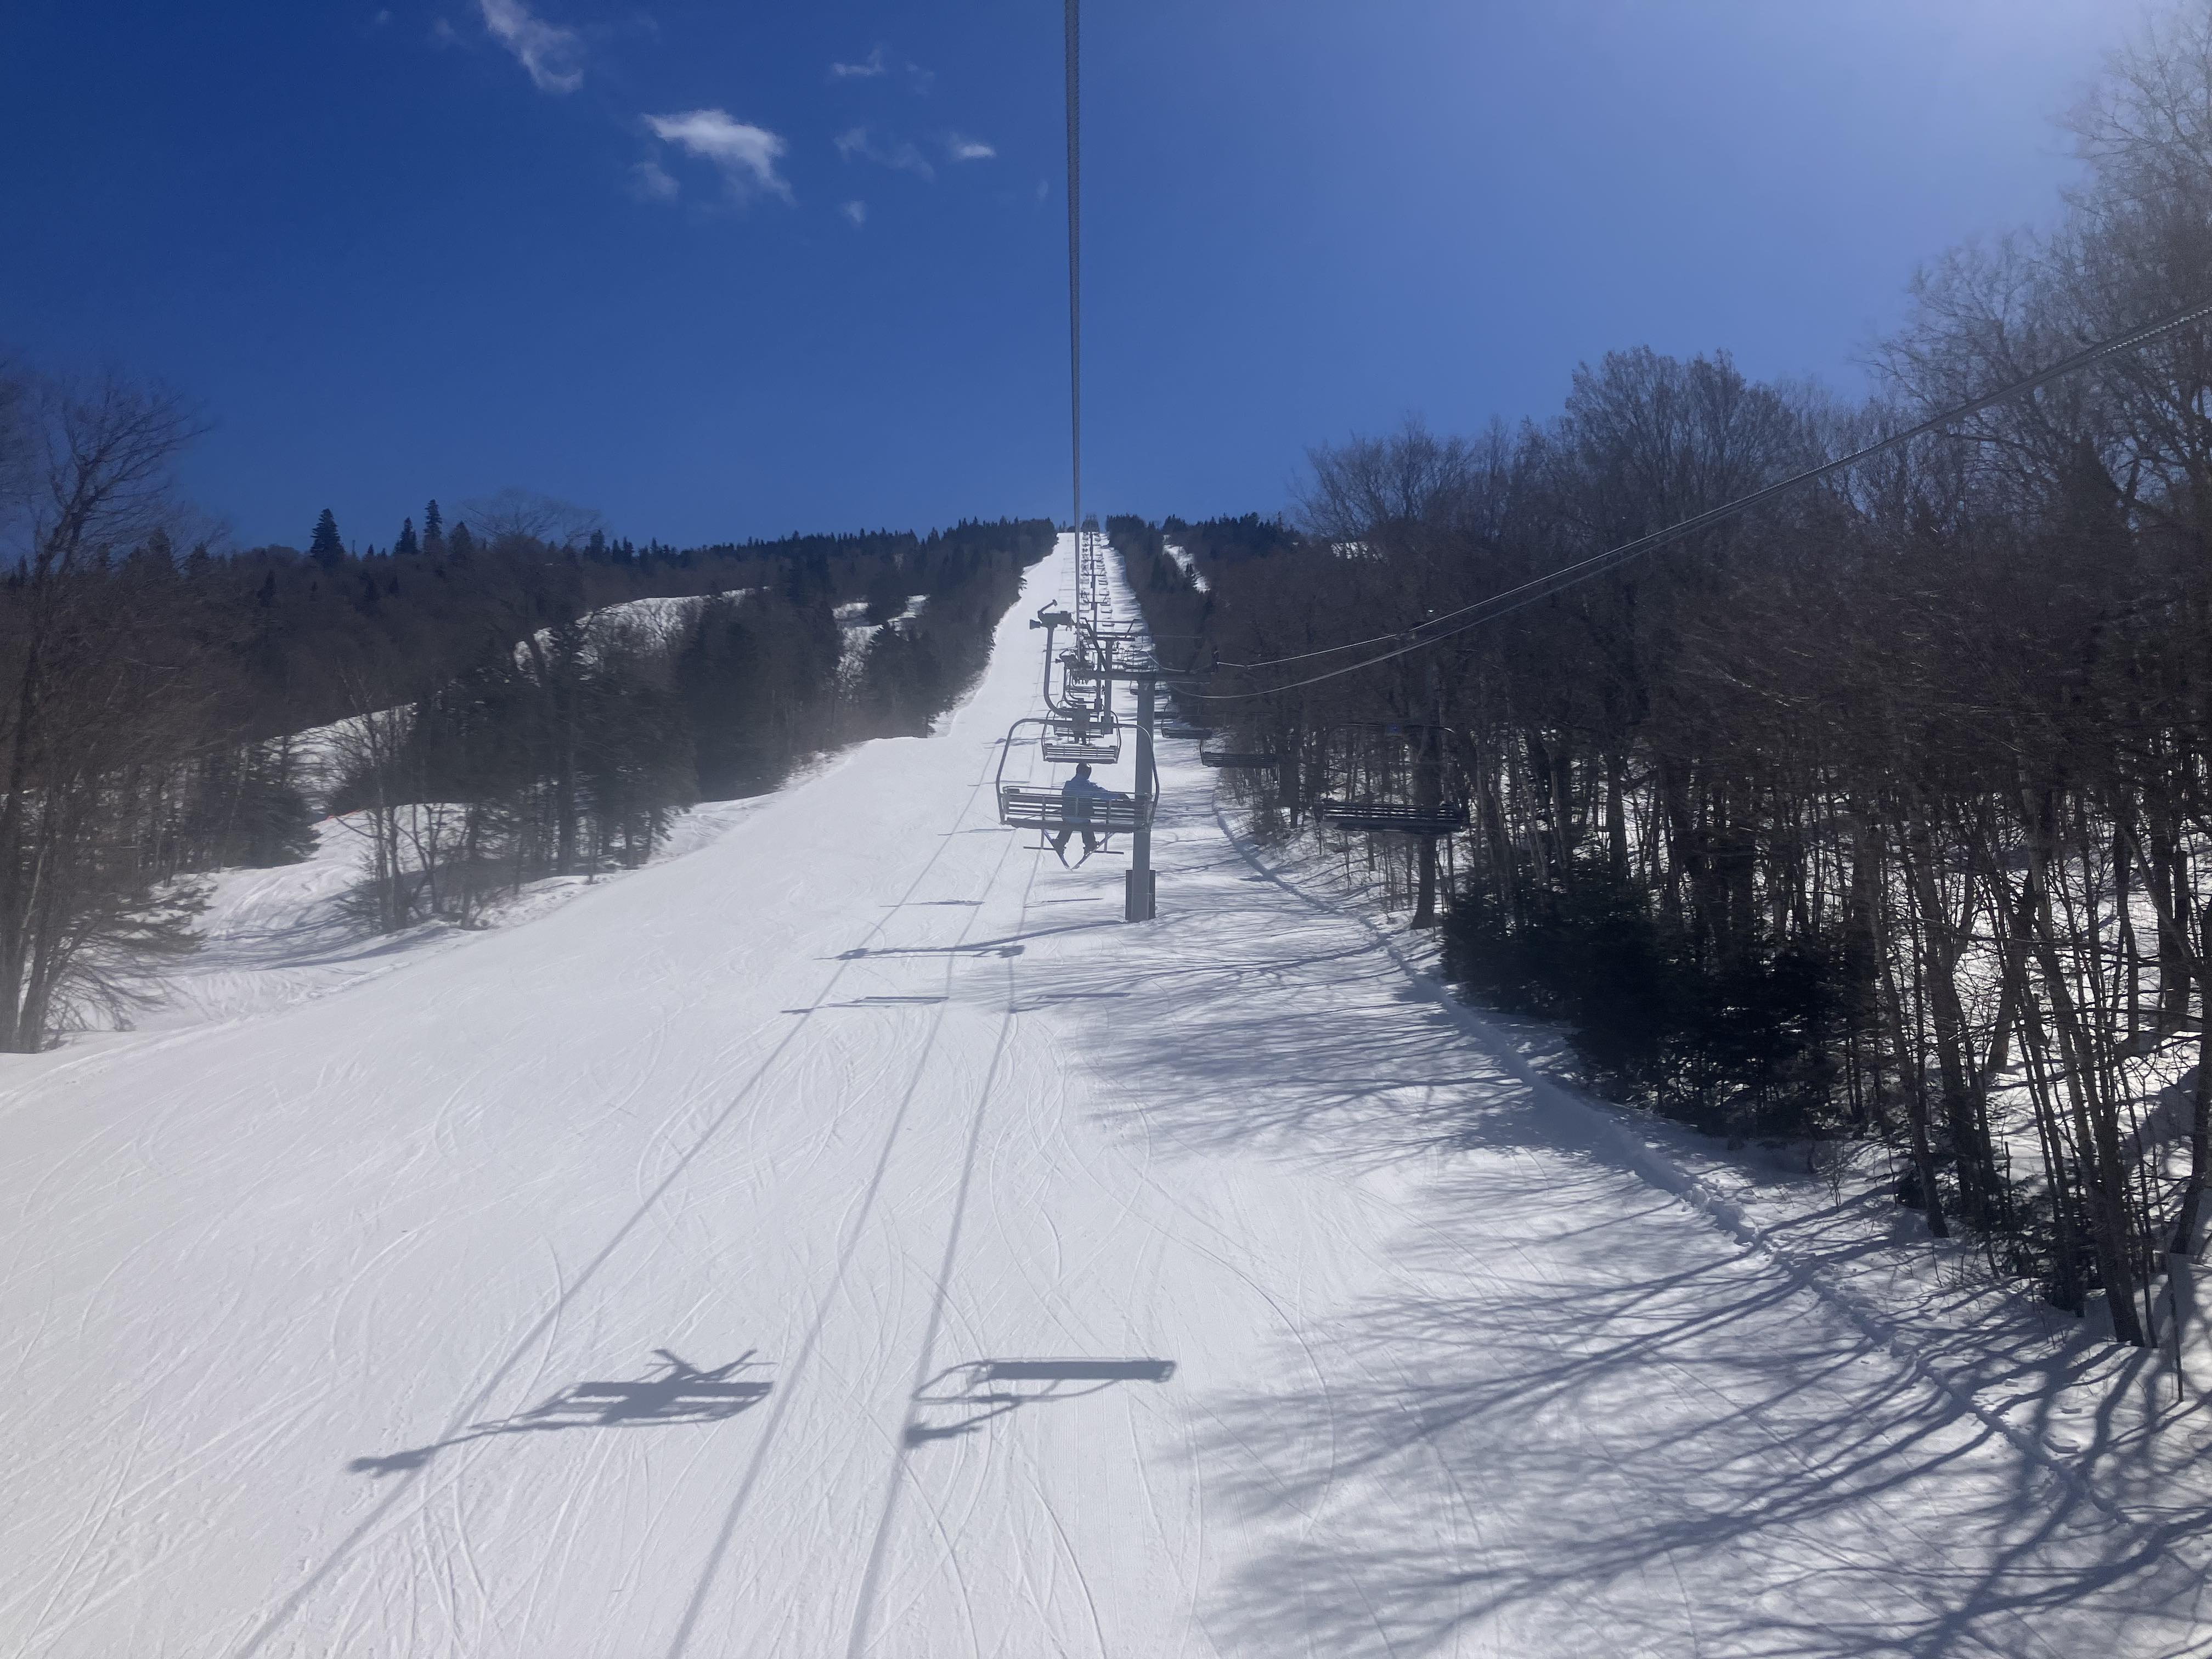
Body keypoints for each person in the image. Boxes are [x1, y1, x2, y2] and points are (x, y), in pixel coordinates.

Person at [1053, 763, 1124, 865]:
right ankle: (1090, 843)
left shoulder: (1068, 785)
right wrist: (1120, 796)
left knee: (1070, 820)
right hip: (1083, 819)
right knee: (1084, 821)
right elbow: (1105, 795)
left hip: (1068, 817)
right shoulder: (1090, 787)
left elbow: (1064, 797)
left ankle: (1060, 842)